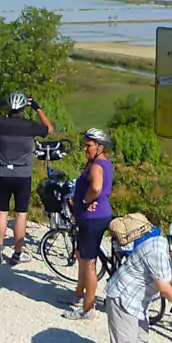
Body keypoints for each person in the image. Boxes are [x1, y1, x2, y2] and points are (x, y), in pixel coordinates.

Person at [0, 91, 54, 265]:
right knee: (20, 215)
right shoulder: (30, 126)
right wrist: (37, 108)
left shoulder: (0, 124)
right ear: (23, 109)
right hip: (22, 174)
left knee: (2, 212)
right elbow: (49, 129)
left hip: (3, 173)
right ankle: (17, 253)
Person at [64, 128, 116, 321]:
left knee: (89, 263)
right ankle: (79, 294)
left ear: (100, 147)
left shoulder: (96, 166)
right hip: (95, 217)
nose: (85, 148)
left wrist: (85, 201)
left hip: (92, 219)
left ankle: (88, 308)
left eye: (89, 145)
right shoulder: (104, 163)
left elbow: (96, 187)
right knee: (81, 255)